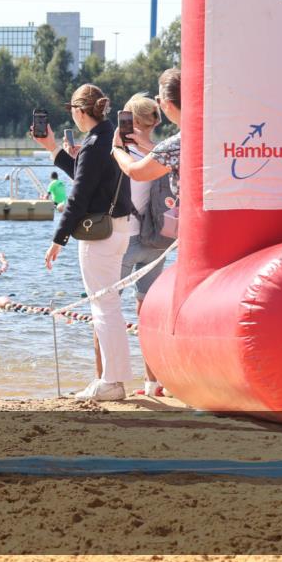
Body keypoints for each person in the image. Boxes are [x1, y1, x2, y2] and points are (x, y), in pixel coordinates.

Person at [32, 84, 133, 402]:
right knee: (109, 306)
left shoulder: (93, 143)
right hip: (119, 229)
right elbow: (85, 175)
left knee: (104, 308)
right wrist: (53, 149)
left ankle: (112, 382)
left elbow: (78, 197)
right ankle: (112, 378)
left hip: (100, 234)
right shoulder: (110, 135)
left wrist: (57, 240)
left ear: (78, 111)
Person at [117, 94, 169, 396]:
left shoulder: (125, 155)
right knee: (148, 314)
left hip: (128, 238)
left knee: (108, 309)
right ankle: (153, 382)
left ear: (132, 122)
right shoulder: (162, 152)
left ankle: (110, 379)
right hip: (158, 238)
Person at [111, 68, 182, 198]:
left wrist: (117, 149)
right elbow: (168, 155)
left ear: (168, 104)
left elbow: (134, 171)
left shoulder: (174, 145)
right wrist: (147, 145)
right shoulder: (201, 135)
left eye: (159, 99)